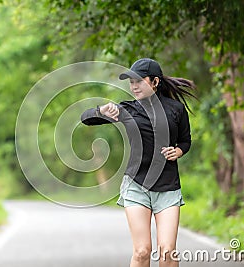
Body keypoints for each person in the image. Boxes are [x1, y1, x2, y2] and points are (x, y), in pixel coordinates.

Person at [80, 58, 196, 267]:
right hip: (136, 186)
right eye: (130, 82)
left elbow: (185, 141)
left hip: (168, 188)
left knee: (168, 251)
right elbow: (85, 118)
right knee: (142, 251)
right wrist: (101, 111)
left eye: (138, 81)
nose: (133, 86)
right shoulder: (127, 110)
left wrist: (177, 151)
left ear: (155, 82)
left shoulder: (176, 109)